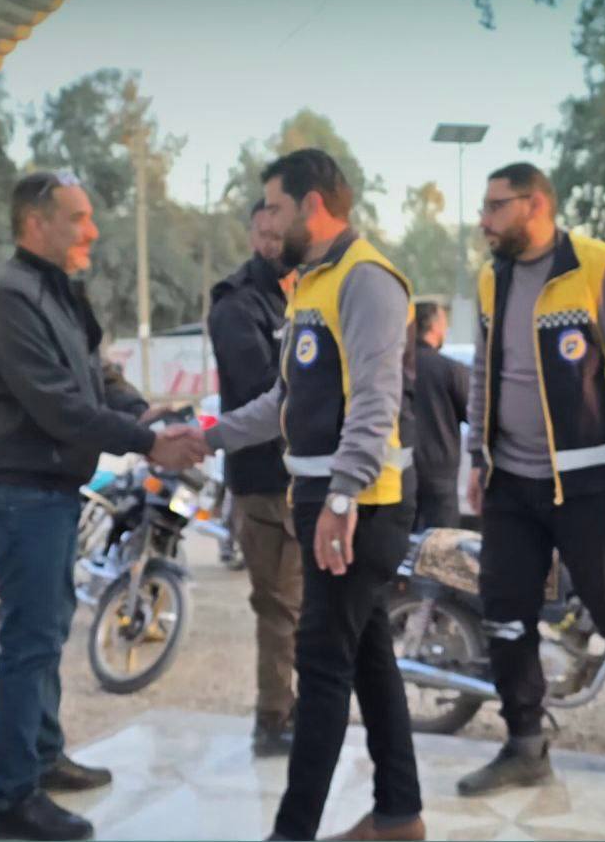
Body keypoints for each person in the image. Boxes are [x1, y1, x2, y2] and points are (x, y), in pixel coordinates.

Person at [0, 171, 206, 841]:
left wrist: (145, 413)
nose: (92, 231)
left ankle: (43, 756)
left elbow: (98, 376)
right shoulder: (8, 298)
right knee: (30, 642)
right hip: (18, 493)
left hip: (47, 491)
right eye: (78, 217)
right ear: (36, 223)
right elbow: (59, 406)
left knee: (47, 629)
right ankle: (14, 800)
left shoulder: (57, 290)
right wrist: (149, 443)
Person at [198, 149, 425, 841]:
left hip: (361, 506)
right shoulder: (312, 284)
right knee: (369, 660)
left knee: (321, 665)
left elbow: (376, 401)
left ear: (313, 205)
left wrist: (342, 498)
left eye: (273, 206)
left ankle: (291, 831)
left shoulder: (366, 280)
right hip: (324, 498)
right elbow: (284, 401)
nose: (265, 221)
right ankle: (399, 815)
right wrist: (205, 436)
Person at [458, 162, 605, 797]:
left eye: (495, 206)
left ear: (535, 206)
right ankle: (525, 744)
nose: (484, 220)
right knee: (505, 613)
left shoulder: (599, 267)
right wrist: (477, 457)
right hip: (510, 481)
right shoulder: (493, 278)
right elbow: (484, 373)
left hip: (591, 482)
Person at [208, 199, 301, 757]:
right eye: (263, 234)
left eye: (279, 233)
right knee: (279, 606)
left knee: (306, 607)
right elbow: (261, 393)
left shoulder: (306, 291)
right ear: (251, 236)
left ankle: (299, 708)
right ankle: (274, 718)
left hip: (308, 477)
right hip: (265, 480)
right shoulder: (237, 304)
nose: (272, 244)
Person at [411, 301, 469, 531]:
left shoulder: (393, 368)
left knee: (405, 544)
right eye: (444, 323)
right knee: (443, 542)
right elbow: (474, 414)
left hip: (402, 471)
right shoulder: (450, 369)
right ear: (434, 326)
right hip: (440, 474)